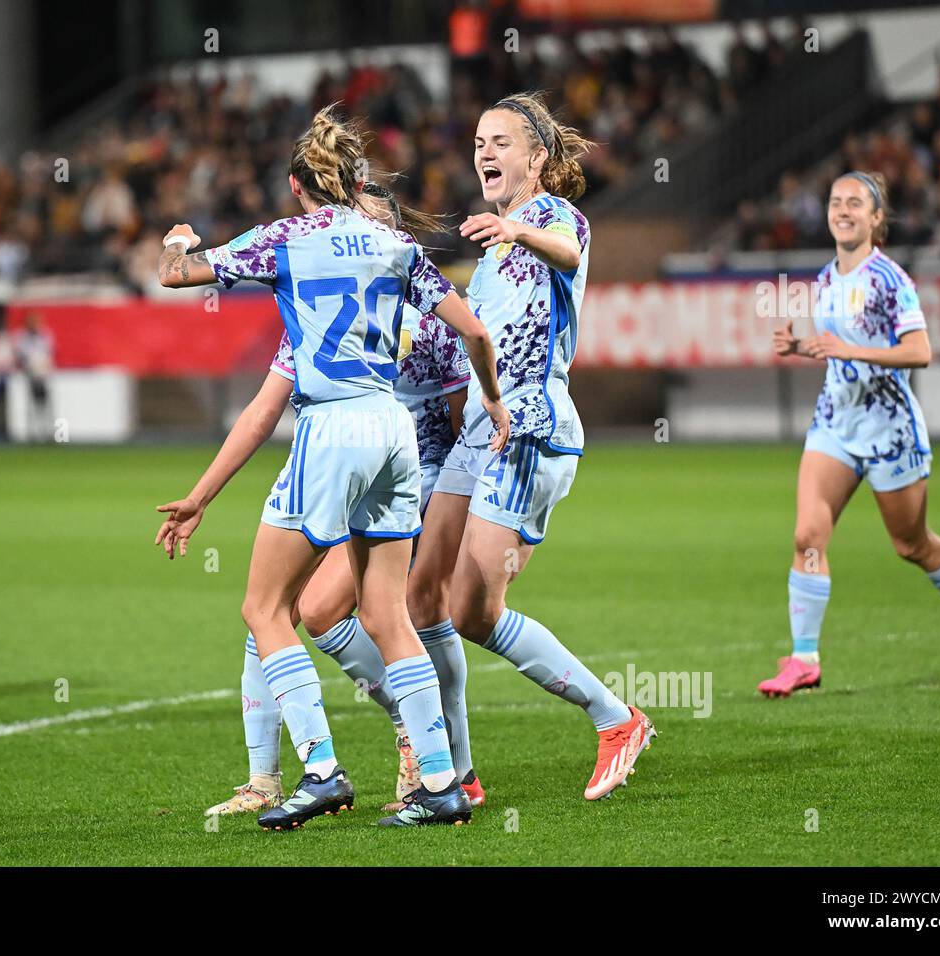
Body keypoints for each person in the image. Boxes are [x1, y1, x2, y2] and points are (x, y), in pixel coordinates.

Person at [155, 107, 509, 828]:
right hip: (394, 432)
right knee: (386, 614)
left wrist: (178, 238)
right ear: (352, 182)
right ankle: (440, 783)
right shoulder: (392, 243)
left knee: (264, 608)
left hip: (332, 426)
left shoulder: (285, 237)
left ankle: (320, 768)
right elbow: (472, 325)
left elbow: (176, 277)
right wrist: (496, 405)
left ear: (296, 187)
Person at [408, 92, 656, 803]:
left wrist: (519, 233)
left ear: (538, 157)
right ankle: (455, 775)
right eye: (479, 141)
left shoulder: (553, 220)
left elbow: (570, 250)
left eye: (501, 142)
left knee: (473, 612)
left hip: (530, 425)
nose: (484, 152)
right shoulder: (488, 256)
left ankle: (617, 718)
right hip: (479, 430)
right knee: (423, 595)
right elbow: (473, 345)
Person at [764, 171, 940, 695]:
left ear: (876, 219)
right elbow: (838, 344)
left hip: (890, 430)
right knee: (807, 537)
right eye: (835, 201)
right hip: (834, 424)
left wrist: (847, 349)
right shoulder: (827, 277)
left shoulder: (889, 280)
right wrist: (802, 347)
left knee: (911, 544)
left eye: (855, 203)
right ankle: (805, 657)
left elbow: (919, 351)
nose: (842, 209)